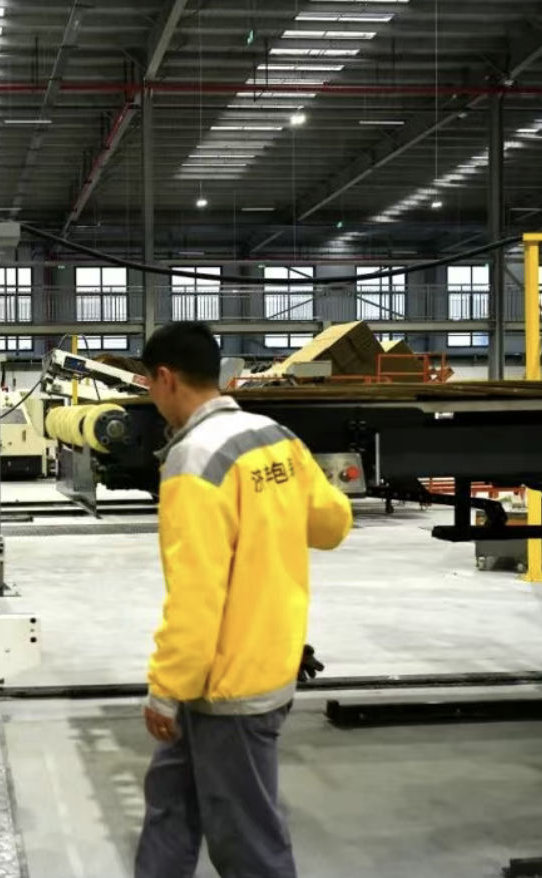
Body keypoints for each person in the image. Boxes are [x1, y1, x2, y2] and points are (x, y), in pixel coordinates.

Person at [134, 322, 353, 878]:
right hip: (260, 661)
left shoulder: (192, 461)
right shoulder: (274, 436)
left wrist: (166, 689)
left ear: (166, 378)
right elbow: (332, 525)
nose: (150, 396)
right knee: (171, 804)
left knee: (248, 841)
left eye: (148, 384)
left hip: (228, 684)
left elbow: (196, 593)